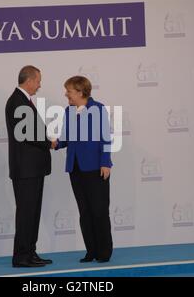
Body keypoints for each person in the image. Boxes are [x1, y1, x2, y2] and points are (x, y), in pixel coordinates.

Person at [54, 75, 113, 263]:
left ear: (80, 91)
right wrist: (54, 143)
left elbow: (105, 138)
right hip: (75, 168)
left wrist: (106, 162)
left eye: (69, 91)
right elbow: (66, 138)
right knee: (85, 212)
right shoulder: (68, 111)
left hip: (96, 168)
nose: (66, 94)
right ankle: (91, 251)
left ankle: (103, 252)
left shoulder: (98, 109)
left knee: (99, 211)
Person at [5, 65, 55, 268]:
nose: (40, 85)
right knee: (26, 213)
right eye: (38, 81)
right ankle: (21, 257)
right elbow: (29, 133)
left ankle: (30, 252)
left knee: (32, 212)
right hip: (26, 171)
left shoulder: (22, 100)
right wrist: (50, 142)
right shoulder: (18, 101)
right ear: (29, 80)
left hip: (32, 169)